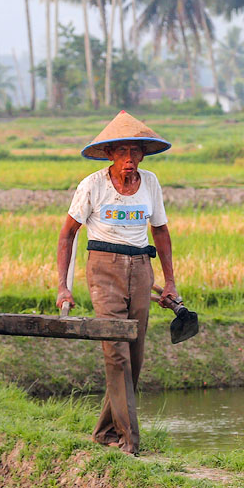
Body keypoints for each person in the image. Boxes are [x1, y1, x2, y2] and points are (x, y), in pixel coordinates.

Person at [55, 111, 178, 455]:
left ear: (142, 155)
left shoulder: (150, 183)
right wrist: (64, 286)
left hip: (141, 268)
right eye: (121, 152)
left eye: (135, 152)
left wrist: (170, 283)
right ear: (109, 155)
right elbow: (67, 235)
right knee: (116, 353)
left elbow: (161, 231)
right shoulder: (92, 185)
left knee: (134, 357)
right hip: (104, 269)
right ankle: (130, 440)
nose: (129, 159)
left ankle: (104, 430)